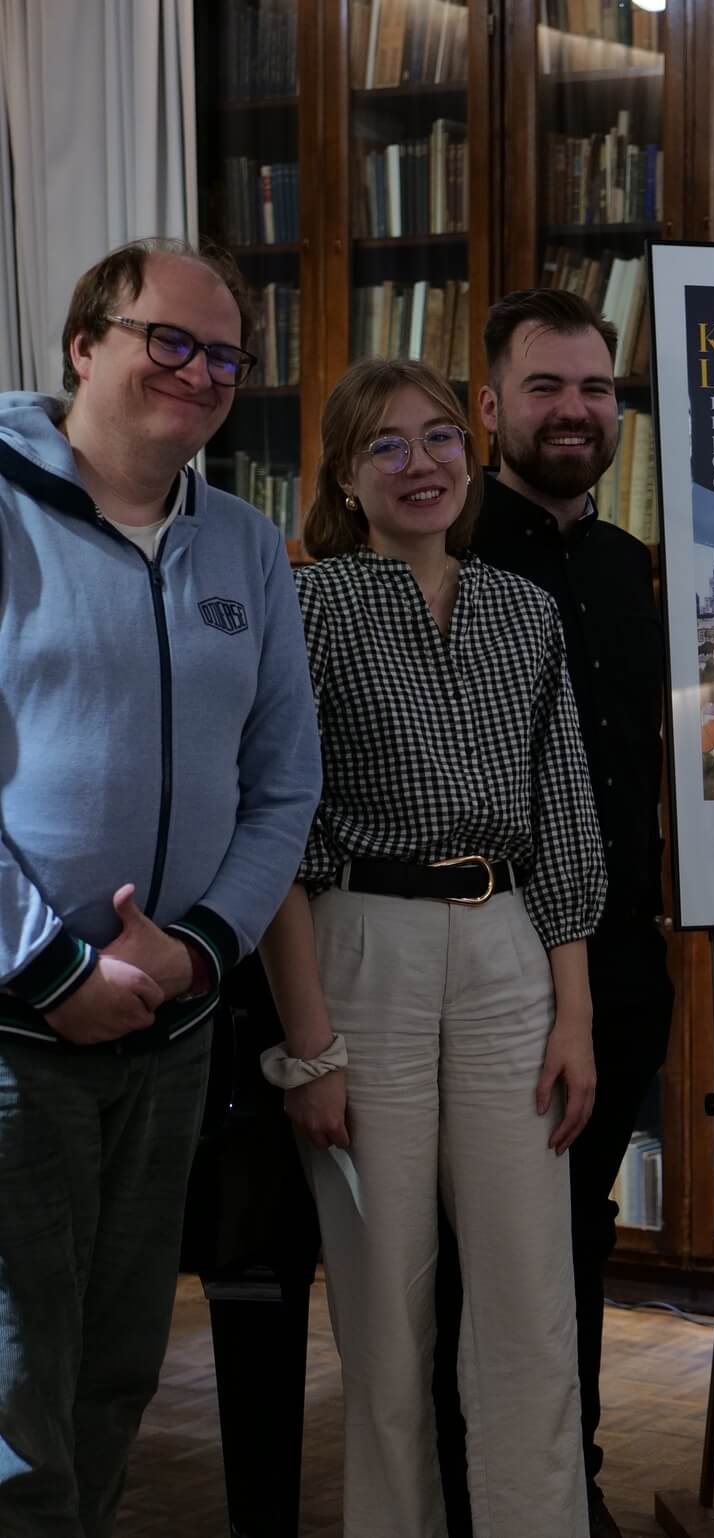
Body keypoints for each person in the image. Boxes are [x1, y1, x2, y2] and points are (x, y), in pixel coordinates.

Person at [0, 238, 321, 1534]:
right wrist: (54, 966)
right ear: (86, 343)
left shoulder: (245, 544)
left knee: (121, 1366)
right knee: (17, 1381)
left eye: (225, 354)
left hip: (175, 1026)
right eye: (167, 340)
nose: (197, 371)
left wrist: (195, 951)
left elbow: (283, 786)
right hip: (18, 1028)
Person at [261, 356, 606, 1536]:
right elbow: (278, 833)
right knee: (384, 1310)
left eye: (441, 437)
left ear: (473, 451)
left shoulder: (525, 608)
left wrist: (575, 1014)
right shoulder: (307, 607)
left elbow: (564, 813)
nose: (423, 464)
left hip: (511, 946)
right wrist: (311, 1050)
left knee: (530, 1303)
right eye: (387, 447)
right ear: (347, 481)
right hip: (365, 947)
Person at [427, 289, 673, 1538]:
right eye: (545, 387)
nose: (575, 410)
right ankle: (479, 1500)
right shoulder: (445, 553)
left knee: (576, 1236)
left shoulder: (638, 568)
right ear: (487, 407)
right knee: (486, 1260)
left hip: (625, 965)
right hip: (489, 960)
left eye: (596, 388)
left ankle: (555, 1487)